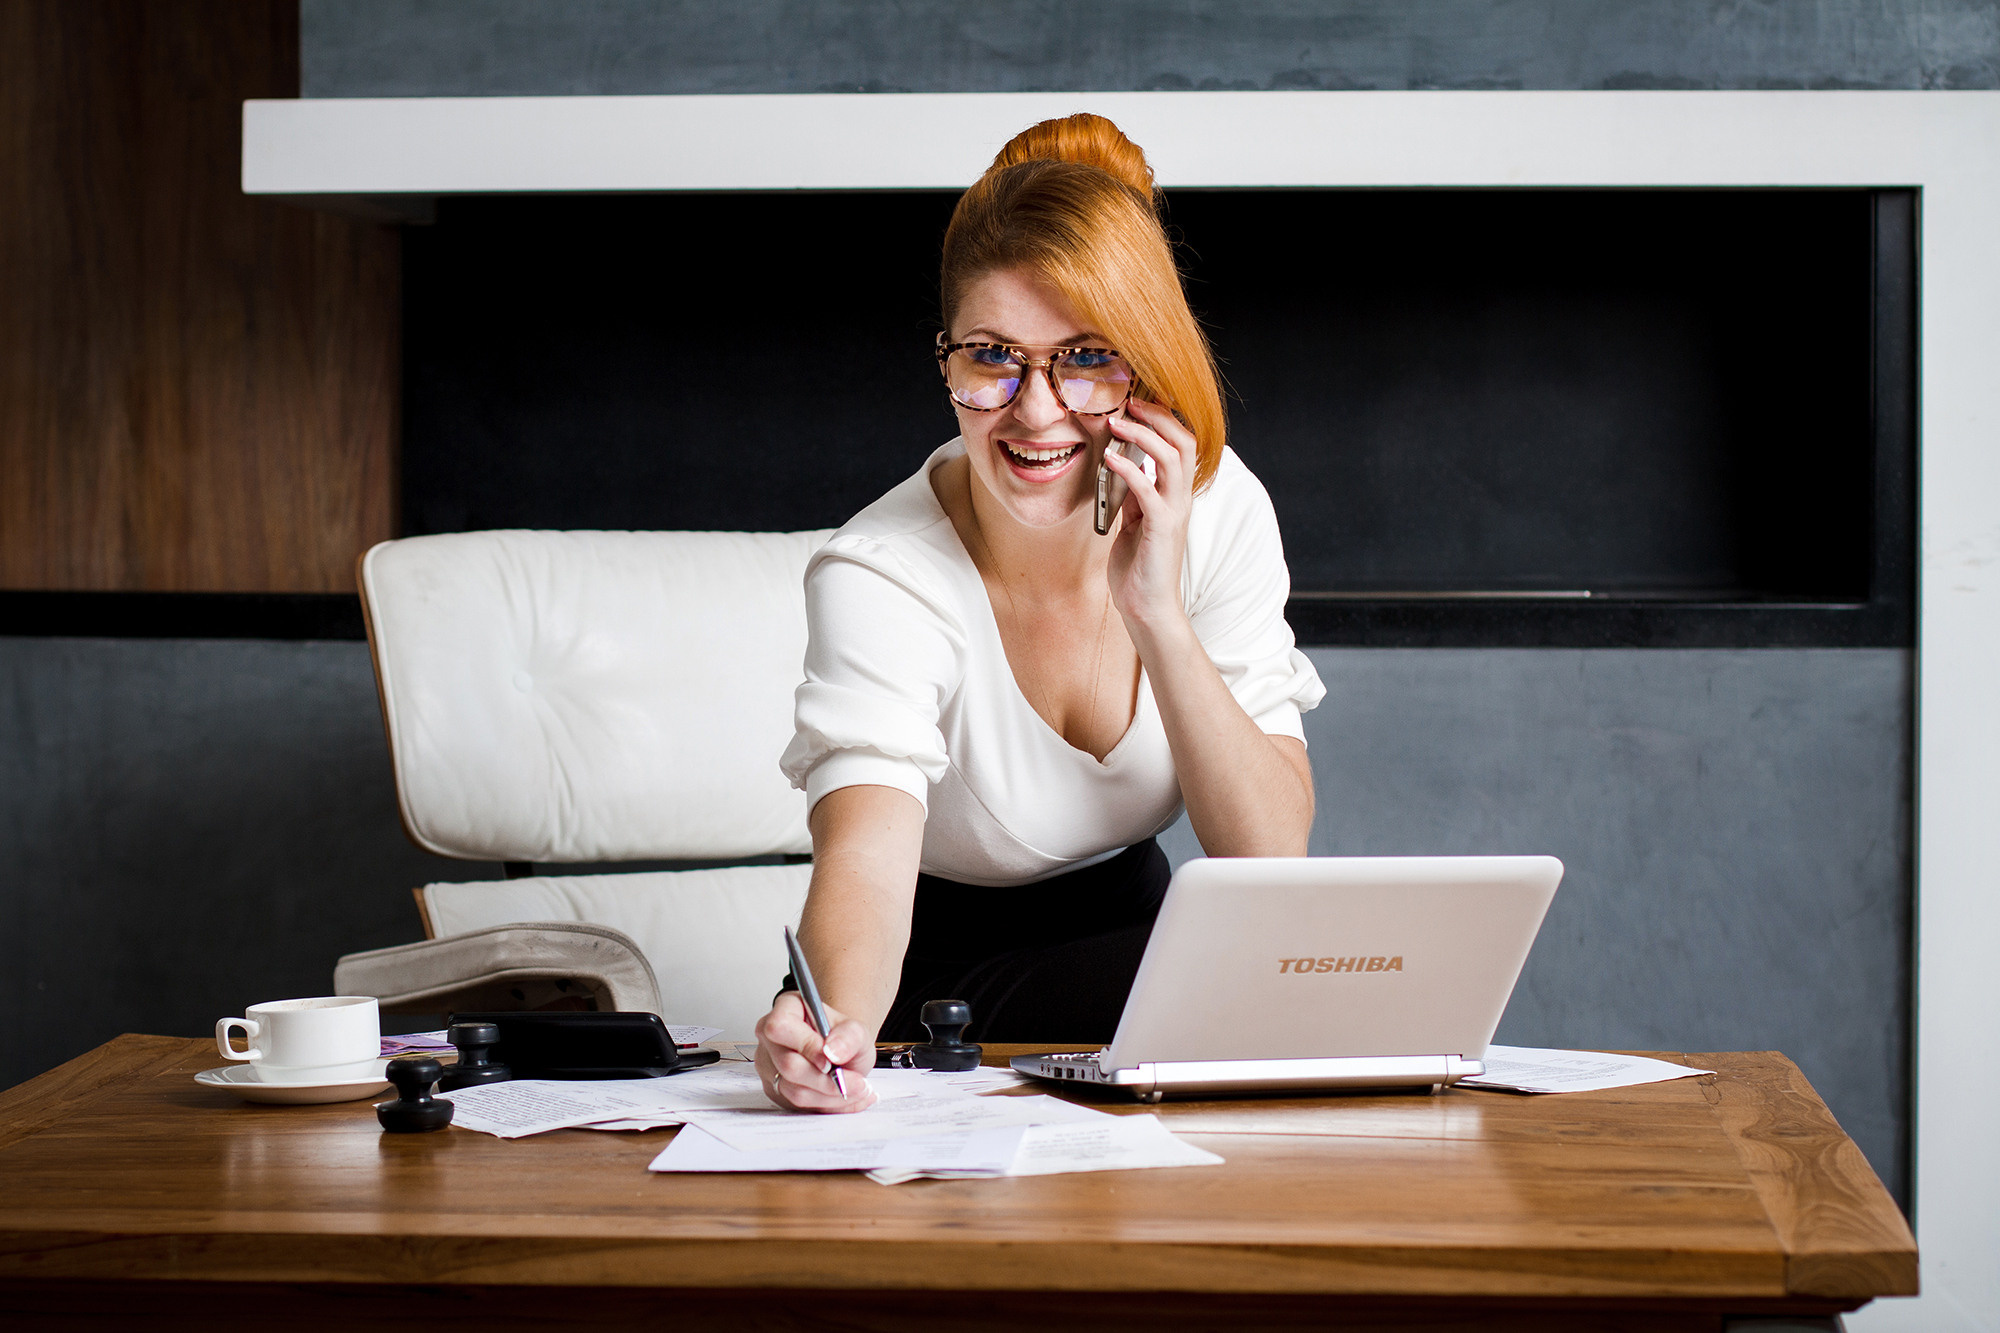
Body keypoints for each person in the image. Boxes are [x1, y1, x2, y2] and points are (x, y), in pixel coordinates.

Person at [755, 113, 1325, 1112]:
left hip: (1140, 948)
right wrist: (830, 1023)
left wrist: (1156, 610)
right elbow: (867, 866)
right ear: (945, 361)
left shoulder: (1217, 502)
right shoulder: (882, 570)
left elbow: (1268, 857)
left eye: (1085, 357)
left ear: (1143, 368)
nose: (1034, 408)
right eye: (991, 357)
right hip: (935, 995)